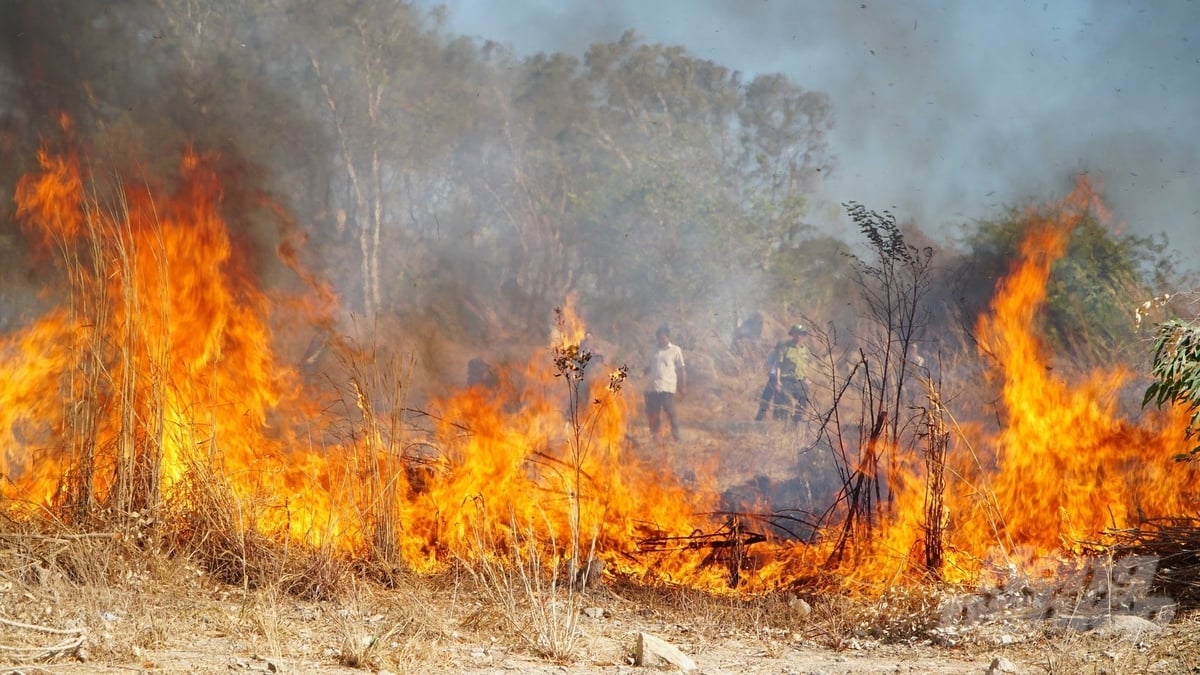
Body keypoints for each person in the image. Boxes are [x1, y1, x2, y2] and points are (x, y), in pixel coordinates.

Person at [755, 324, 811, 425]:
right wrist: (777, 381)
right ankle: (763, 418)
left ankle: (795, 422)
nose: (799, 336)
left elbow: (804, 364)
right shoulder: (783, 349)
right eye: (796, 334)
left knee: (803, 402)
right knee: (774, 401)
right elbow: (776, 365)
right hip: (781, 378)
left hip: (798, 380)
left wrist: (806, 378)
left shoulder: (804, 349)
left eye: (801, 334)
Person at [644, 325, 686, 441]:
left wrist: (683, 387)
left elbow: (682, 369)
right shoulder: (653, 350)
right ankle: (655, 438)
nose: (661, 340)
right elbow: (647, 369)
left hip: (667, 387)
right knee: (654, 414)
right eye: (659, 338)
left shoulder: (675, 350)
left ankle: (677, 437)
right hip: (653, 388)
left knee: (670, 412)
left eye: (663, 338)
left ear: (668, 338)